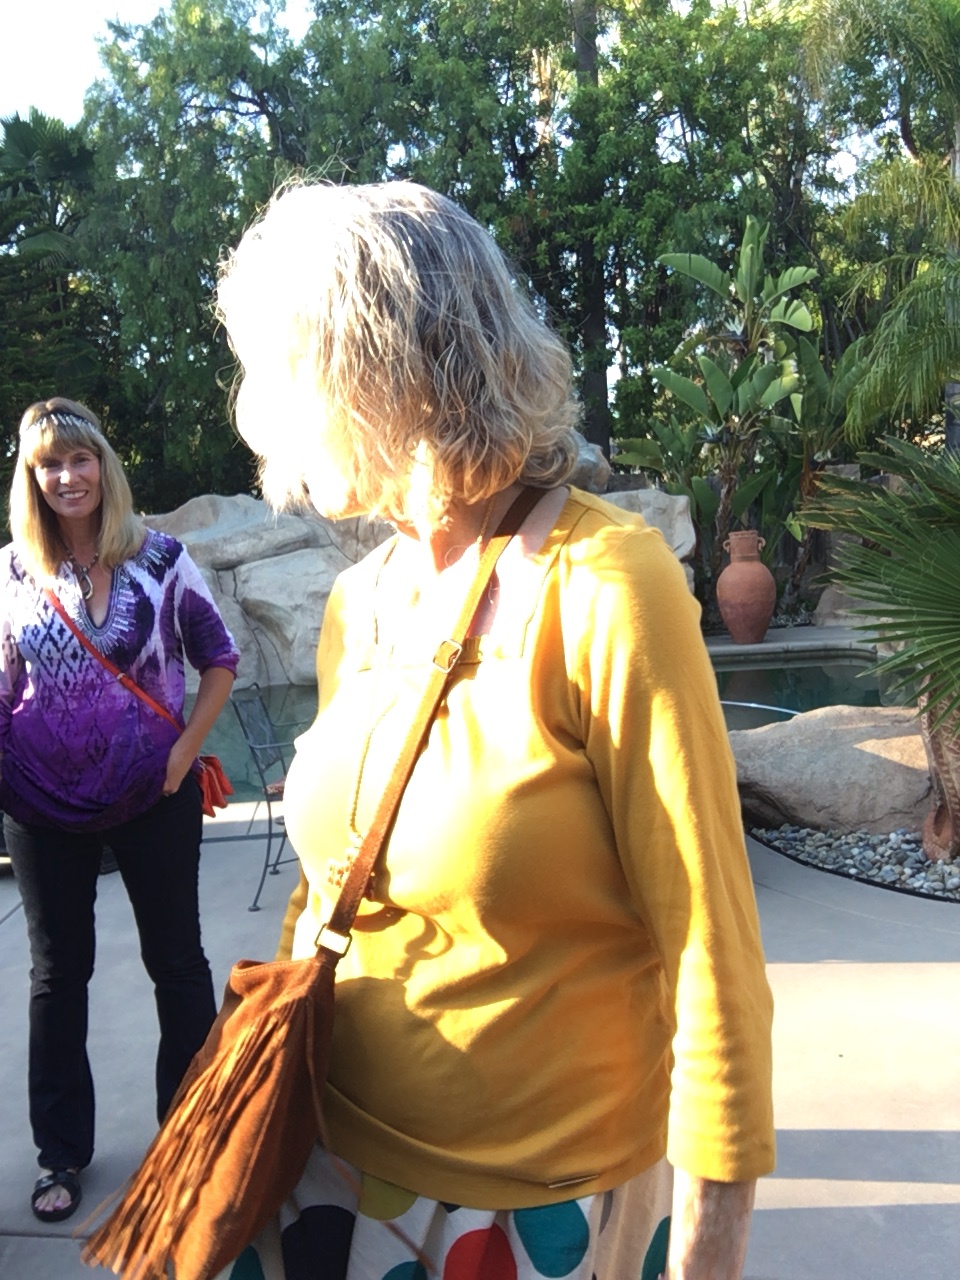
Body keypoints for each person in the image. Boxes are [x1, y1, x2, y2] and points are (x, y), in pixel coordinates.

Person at [214, 181, 775, 1280]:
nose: (259, 412)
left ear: (381, 371)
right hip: (331, 1165)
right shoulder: (361, 600)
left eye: (285, 371)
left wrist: (711, 1247)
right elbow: (331, 874)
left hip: (530, 1210)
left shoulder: (607, 585)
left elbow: (712, 946)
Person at [0, 398, 240, 1224]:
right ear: (31, 478)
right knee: (57, 976)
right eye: (49, 464)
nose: (67, 476)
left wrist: (185, 751)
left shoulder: (162, 559)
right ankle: (60, 1152)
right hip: (39, 805)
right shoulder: (9, 572)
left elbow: (218, 657)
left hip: (154, 796)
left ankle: (191, 1138)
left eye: (80, 459)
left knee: (178, 964)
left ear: (104, 465)